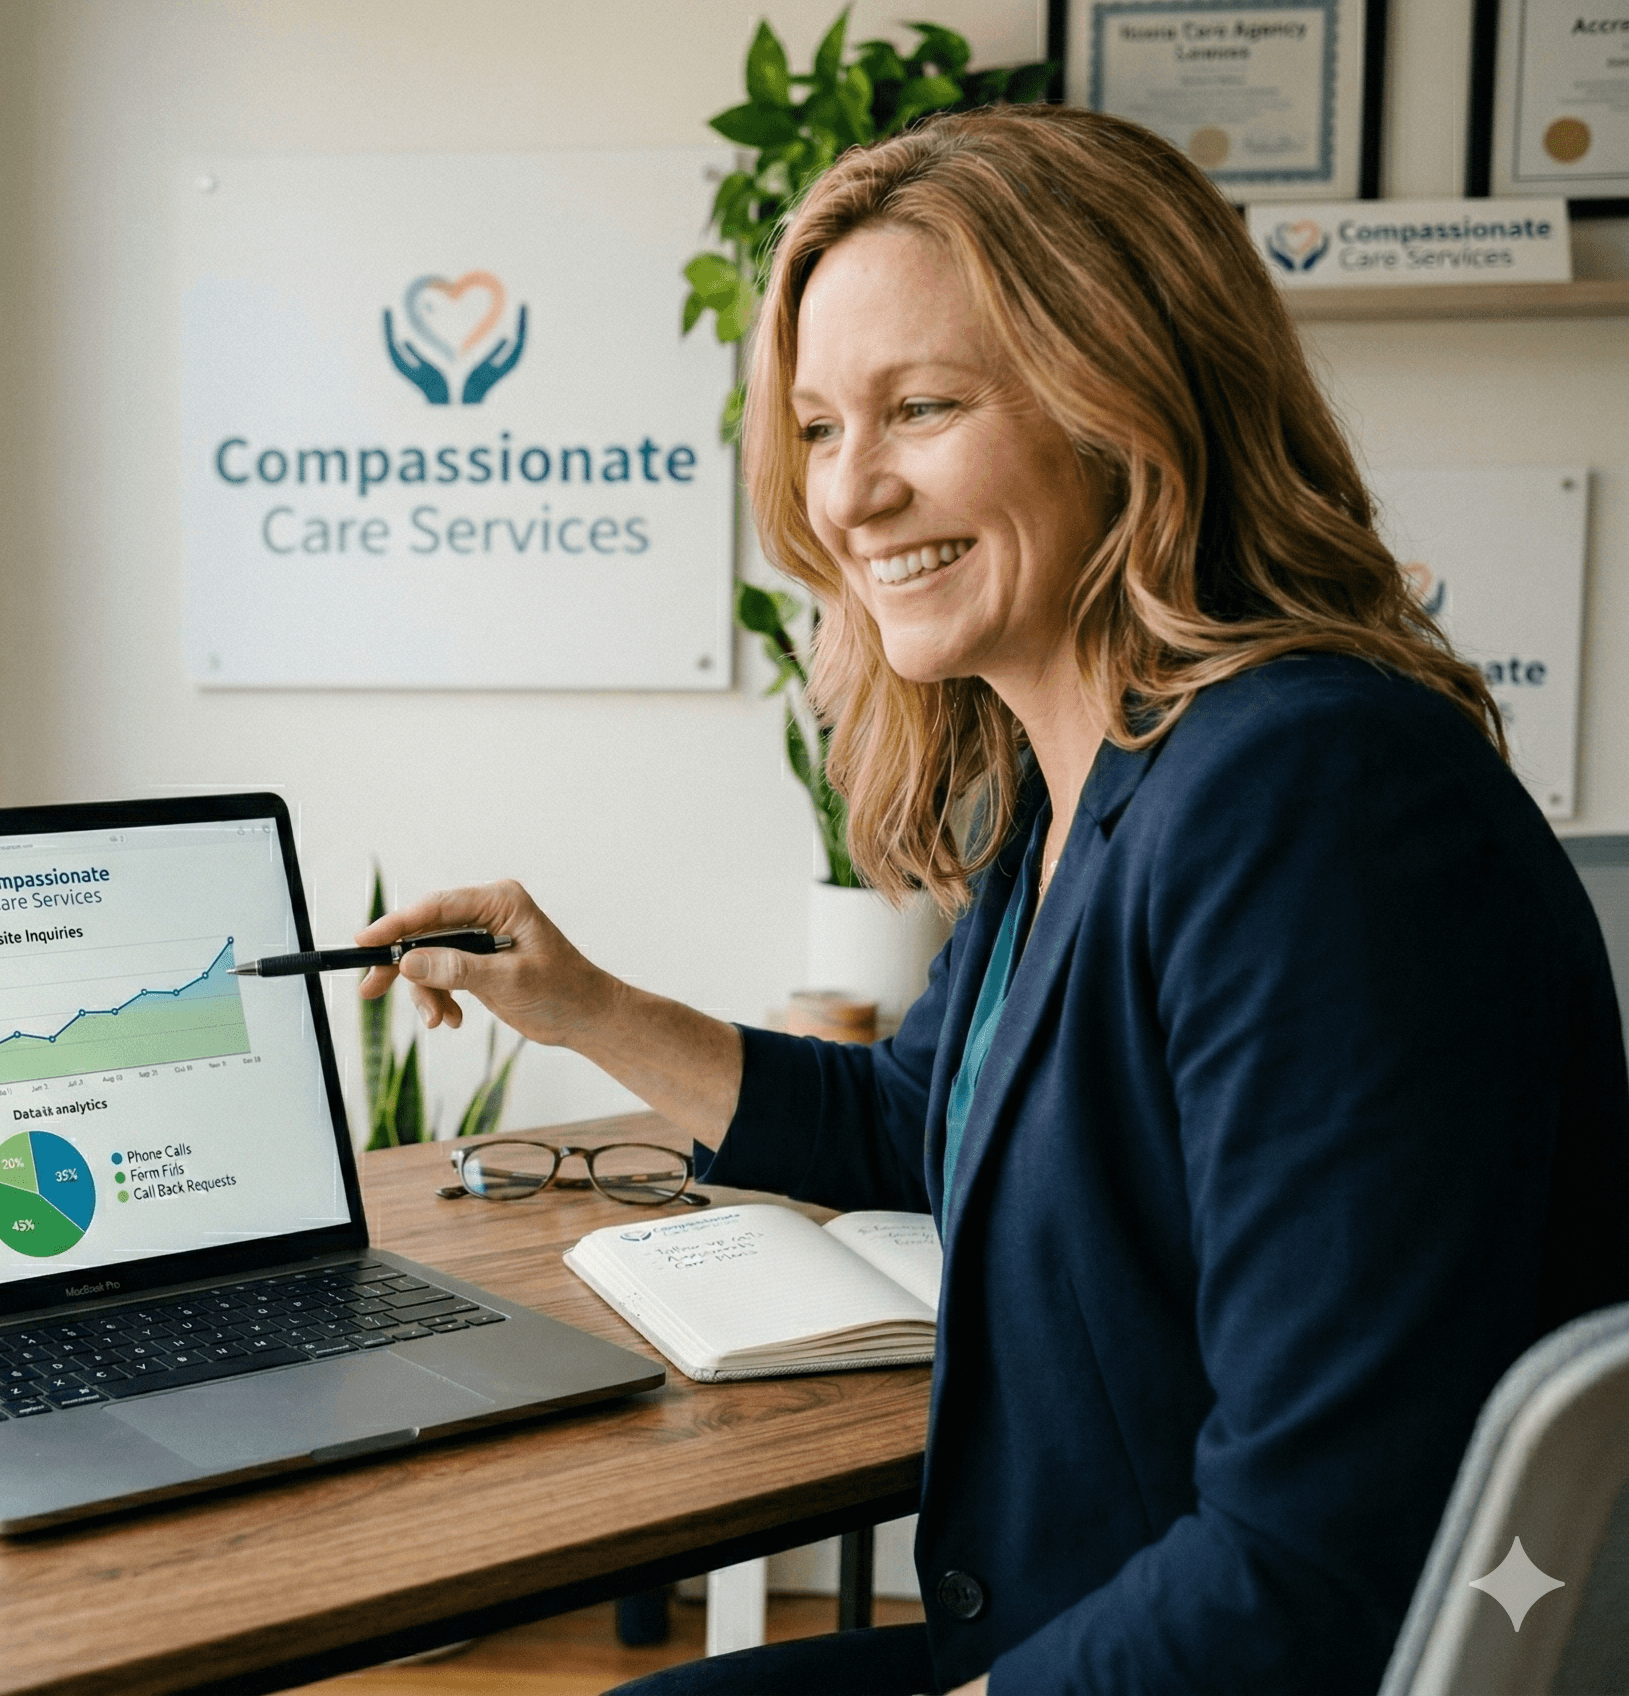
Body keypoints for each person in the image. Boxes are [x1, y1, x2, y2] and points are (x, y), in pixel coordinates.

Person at [357, 106, 1629, 1695]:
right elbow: (919, 1123)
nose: (851, 497)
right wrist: (588, 1006)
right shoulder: (1086, 785)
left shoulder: (1313, 803)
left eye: (923, 408)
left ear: (1133, 404)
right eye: (820, 429)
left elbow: (1323, 1557)